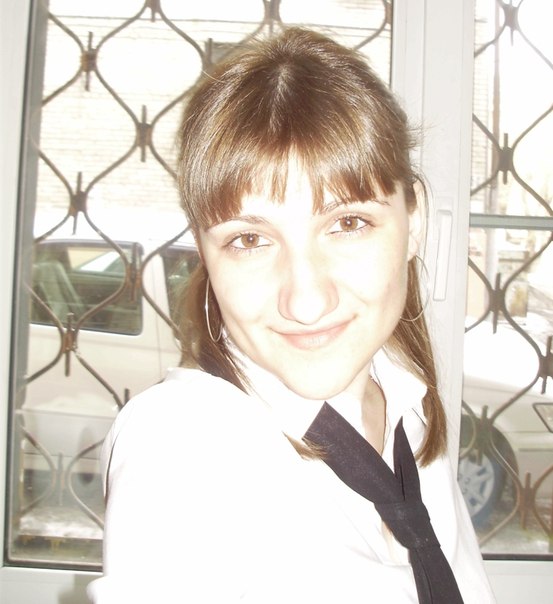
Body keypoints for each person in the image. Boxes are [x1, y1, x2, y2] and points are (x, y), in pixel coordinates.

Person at [88, 27, 495, 604]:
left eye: (348, 223)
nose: (305, 301)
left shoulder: (405, 402)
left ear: (415, 220)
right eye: (249, 239)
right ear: (204, 251)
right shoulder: (184, 447)